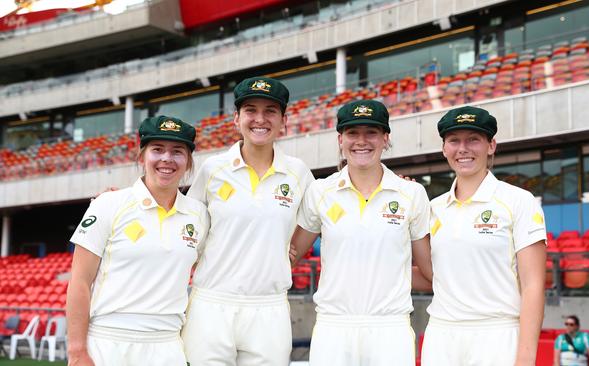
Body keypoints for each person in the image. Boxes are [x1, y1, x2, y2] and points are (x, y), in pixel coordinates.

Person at [181, 76, 315, 366]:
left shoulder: (298, 173)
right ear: (236, 119)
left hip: (269, 307)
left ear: (283, 121)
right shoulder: (213, 169)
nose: (260, 119)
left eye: (270, 111)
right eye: (250, 110)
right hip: (211, 303)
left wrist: (289, 253)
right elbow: (179, 220)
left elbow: (322, 215)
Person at [290, 99, 433, 366]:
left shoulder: (411, 194)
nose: (361, 141)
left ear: (385, 138)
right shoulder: (320, 191)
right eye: (353, 133)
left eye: (371, 132)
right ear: (340, 139)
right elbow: (289, 257)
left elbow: (430, 272)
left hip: (390, 328)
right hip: (334, 327)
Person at [66, 115, 209, 366]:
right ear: (142, 157)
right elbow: (79, 281)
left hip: (167, 346)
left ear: (188, 162)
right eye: (157, 150)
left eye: (177, 151)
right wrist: (77, 352)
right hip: (109, 342)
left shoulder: (199, 215)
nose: (167, 158)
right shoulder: (108, 204)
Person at [421, 106, 547, 366]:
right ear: (444, 149)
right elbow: (435, 276)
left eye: (473, 139)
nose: (463, 148)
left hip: (497, 336)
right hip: (441, 336)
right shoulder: (431, 208)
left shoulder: (518, 201)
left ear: (491, 145)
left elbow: (533, 285)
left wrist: (525, 357)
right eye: (454, 140)